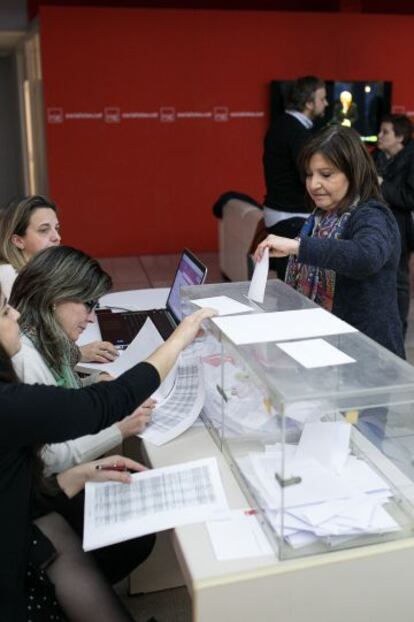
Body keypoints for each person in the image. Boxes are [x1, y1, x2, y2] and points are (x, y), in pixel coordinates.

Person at [0, 283, 215, 621]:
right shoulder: (10, 404)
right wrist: (178, 339)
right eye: (3, 311)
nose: (14, 314)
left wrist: (69, 479)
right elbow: (108, 401)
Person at [255, 124, 404, 358]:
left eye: (326, 175)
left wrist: (298, 247)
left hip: (367, 355)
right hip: (325, 347)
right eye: (309, 174)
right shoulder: (322, 215)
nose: (314, 184)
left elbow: (366, 256)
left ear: (353, 173)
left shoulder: (373, 214)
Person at [11, 245, 154, 474]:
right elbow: (49, 459)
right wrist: (120, 428)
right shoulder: (26, 362)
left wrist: (99, 384)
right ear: (55, 296)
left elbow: (65, 395)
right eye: (88, 304)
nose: (90, 319)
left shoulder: (47, 340)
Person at [0, 194, 118, 364]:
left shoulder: (35, 274)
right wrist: (78, 354)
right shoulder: (9, 278)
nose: (57, 237)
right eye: (44, 230)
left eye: (57, 228)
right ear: (18, 241)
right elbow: (28, 348)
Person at [262, 75, 328, 279]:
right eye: (322, 99)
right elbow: (307, 175)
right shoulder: (296, 132)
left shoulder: (283, 124)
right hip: (289, 216)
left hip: (281, 212)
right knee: (294, 284)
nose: (325, 103)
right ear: (309, 103)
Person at [373, 114, 414, 336]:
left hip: (401, 228)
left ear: (400, 137)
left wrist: (381, 184)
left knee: (398, 279)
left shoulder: (411, 159)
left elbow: (409, 198)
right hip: (376, 224)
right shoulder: (377, 155)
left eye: (385, 132)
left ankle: (398, 329)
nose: (379, 136)